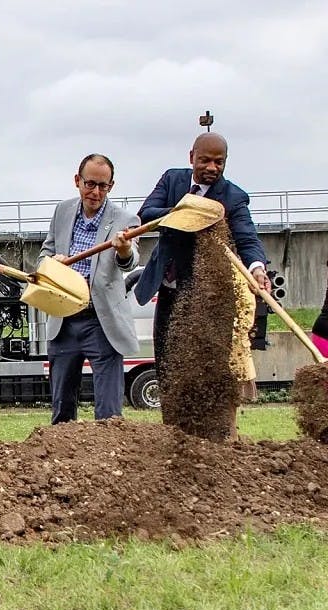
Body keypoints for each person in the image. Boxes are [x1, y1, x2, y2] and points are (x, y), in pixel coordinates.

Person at [134, 132, 269, 364]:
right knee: (167, 361)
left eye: (219, 162)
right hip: (169, 288)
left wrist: (257, 268)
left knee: (209, 365)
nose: (212, 167)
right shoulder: (172, 179)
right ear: (192, 157)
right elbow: (146, 214)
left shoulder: (234, 198)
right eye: (205, 160)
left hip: (211, 296)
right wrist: (186, 212)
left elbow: (248, 239)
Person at [39, 154, 140, 424]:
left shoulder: (125, 220)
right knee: (61, 409)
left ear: (111, 186)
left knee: (109, 413)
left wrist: (124, 249)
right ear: (77, 181)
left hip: (101, 320)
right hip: (64, 319)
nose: (95, 192)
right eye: (90, 184)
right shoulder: (62, 211)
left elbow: (130, 262)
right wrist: (52, 263)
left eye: (103, 186)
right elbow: (43, 256)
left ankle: (110, 459)